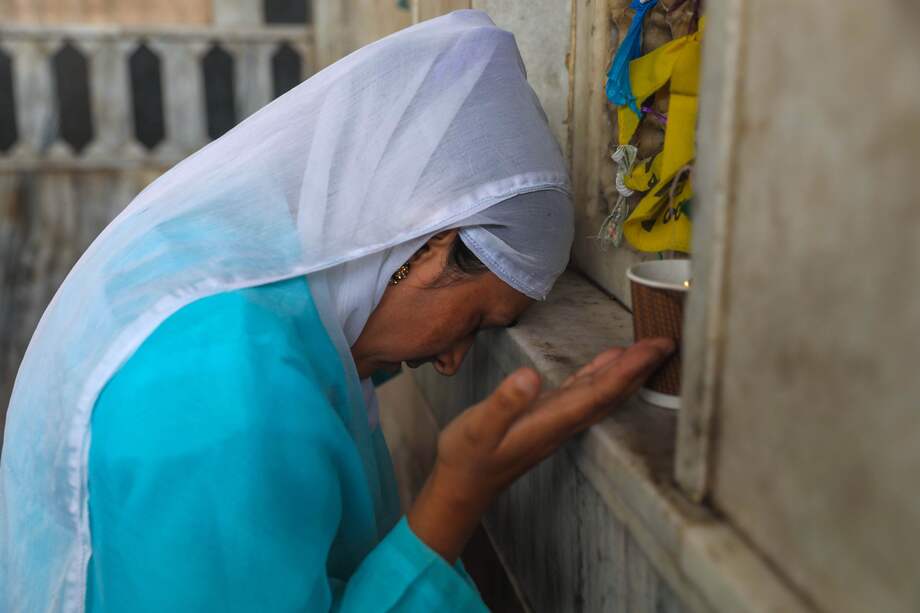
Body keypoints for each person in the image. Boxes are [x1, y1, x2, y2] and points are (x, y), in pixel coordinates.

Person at [0, 10, 672, 613]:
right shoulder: (225, 395)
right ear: (428, 248)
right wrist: (456, 496)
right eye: (474, 324)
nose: (450, 360)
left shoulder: (239, 288)